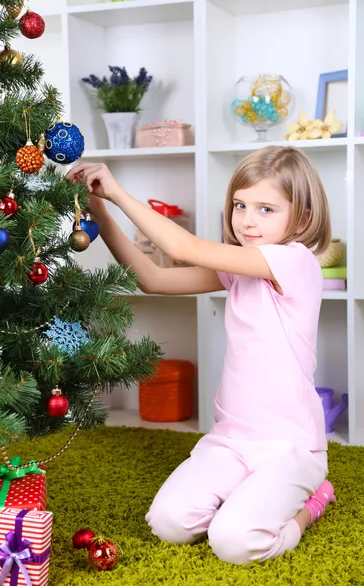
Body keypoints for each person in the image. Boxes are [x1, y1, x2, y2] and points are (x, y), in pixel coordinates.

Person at [66, 145, 336, 565]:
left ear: (301, 218)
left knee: (234, 543)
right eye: (240, 205)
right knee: (168, 524)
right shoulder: (241, 268)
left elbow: (185, 247)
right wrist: (101, 214)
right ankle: (248, 491)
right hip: (231, 441)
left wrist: (118, 192)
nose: (246, 219)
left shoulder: (295, 262)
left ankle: (312, 502)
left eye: (266, 209)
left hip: (289, 446)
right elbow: (153, 278)